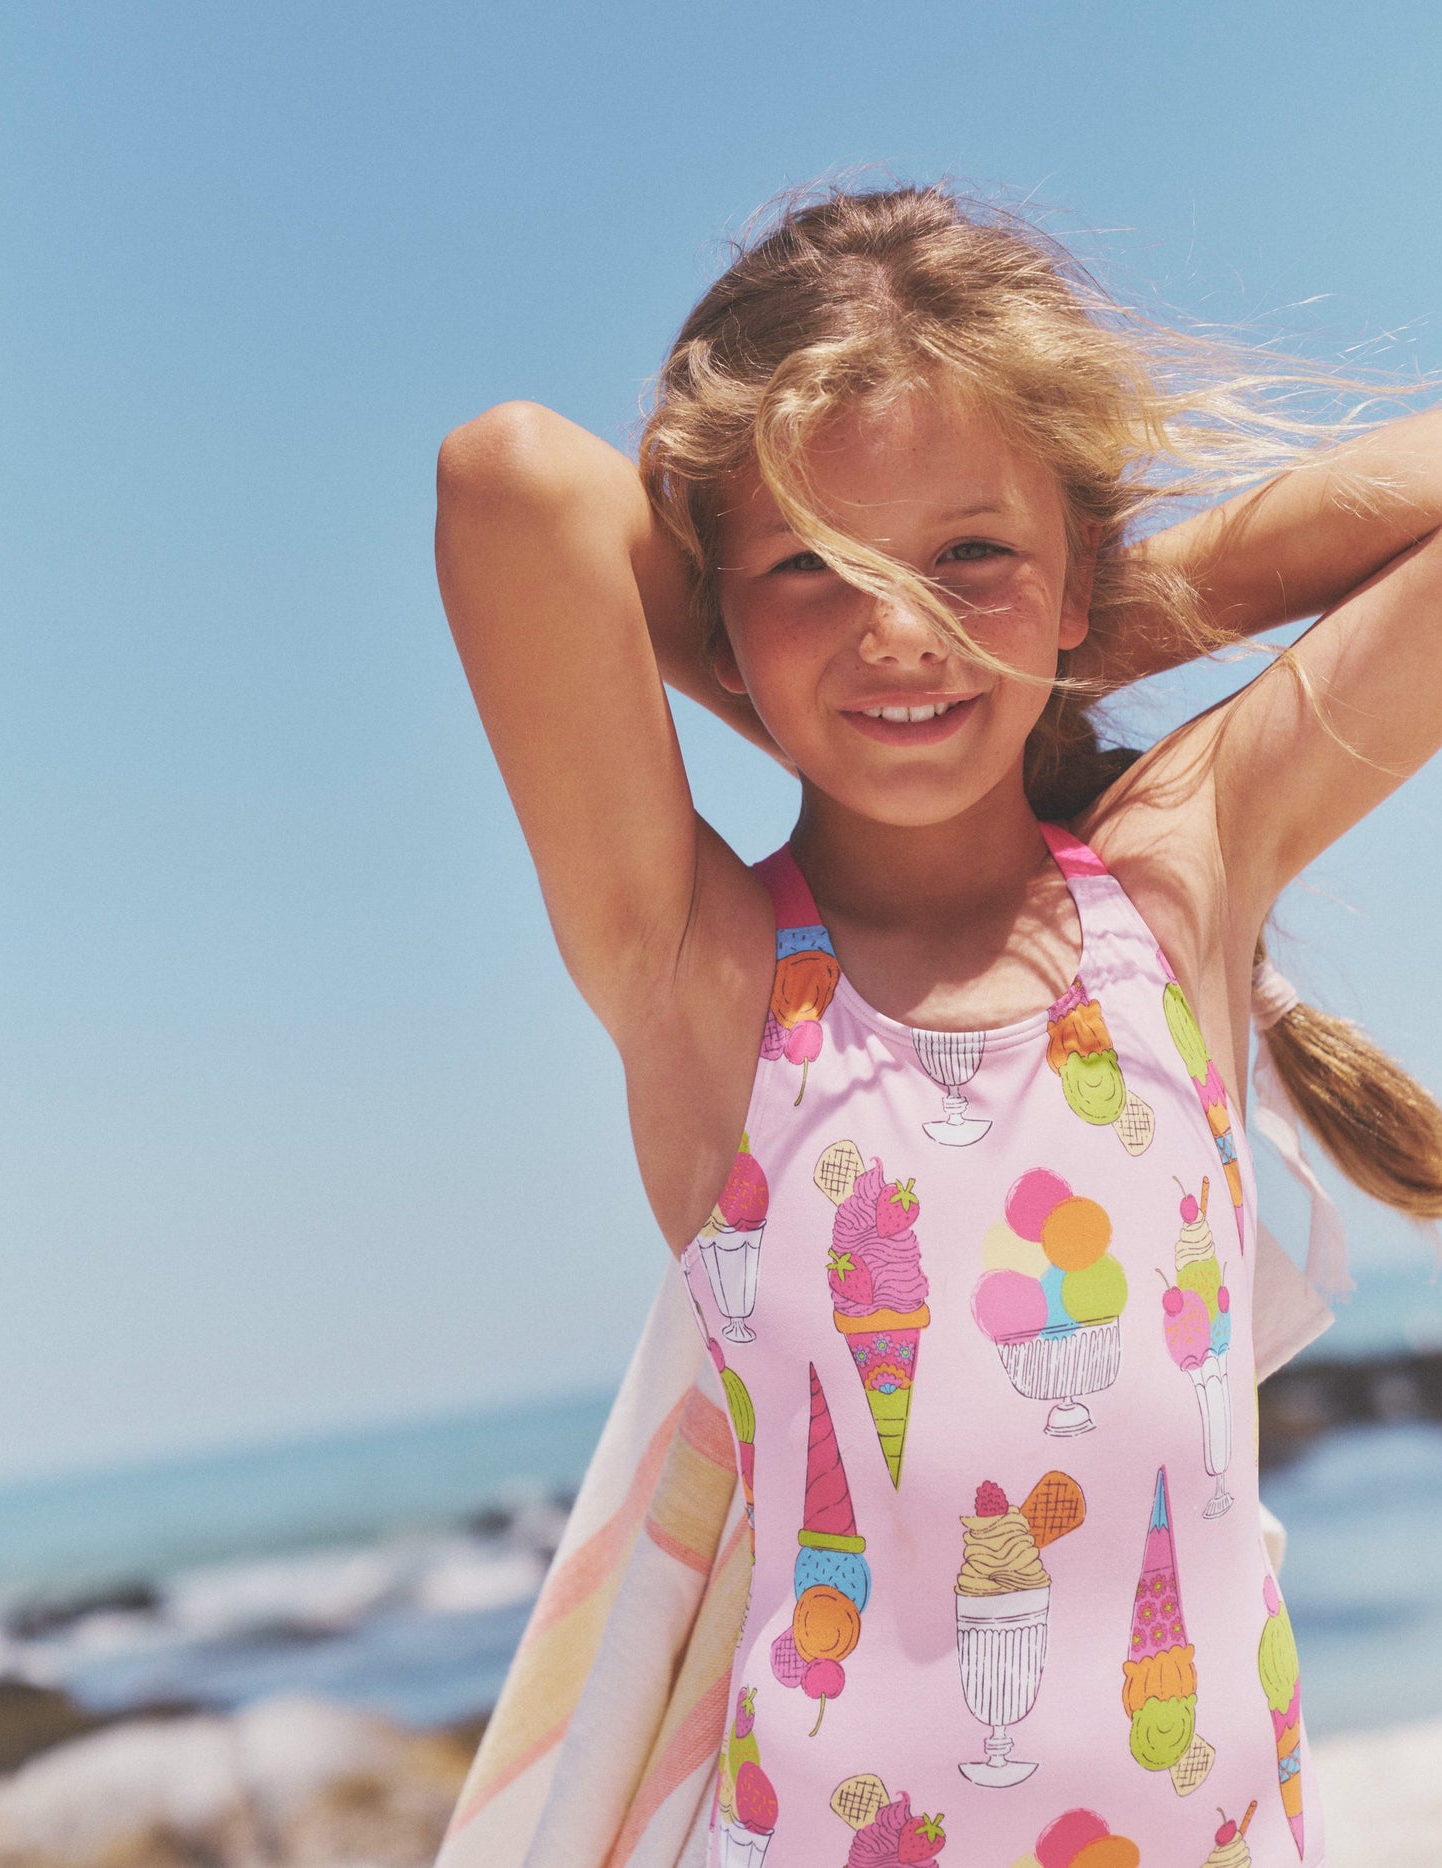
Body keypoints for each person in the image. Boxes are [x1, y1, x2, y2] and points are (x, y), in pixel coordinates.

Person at [430, 183, 1442, 1868]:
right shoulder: (709, 976)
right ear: (722, 605)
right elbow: (510, 478)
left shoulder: (1171, 889)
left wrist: (1081, 619)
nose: (896, 623)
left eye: (966, 550)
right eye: (815, 569)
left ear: (1069, 574)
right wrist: (967, 627)